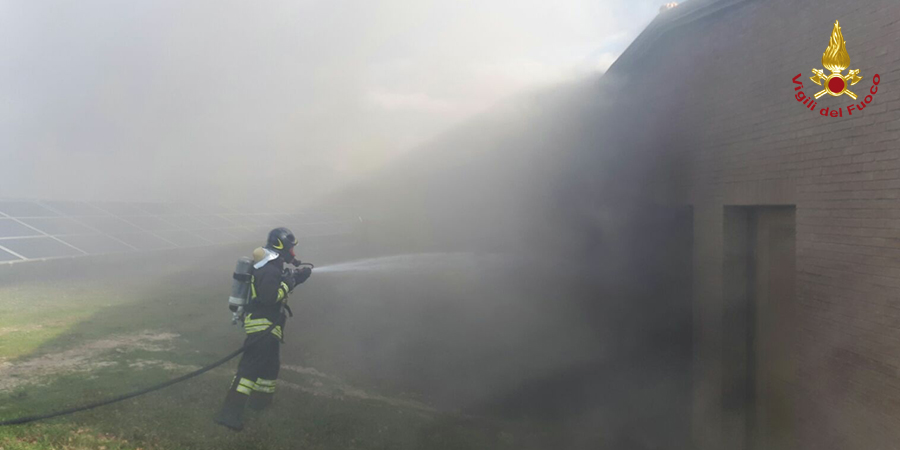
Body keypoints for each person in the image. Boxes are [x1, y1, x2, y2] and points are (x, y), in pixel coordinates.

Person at [214, 227, 312, 431]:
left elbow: (279, 286)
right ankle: (229, 414)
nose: (293, 253)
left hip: (270, 325)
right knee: (249, 370)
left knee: (270, 367)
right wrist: (290, 281)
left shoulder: (272, 265)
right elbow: (269, 297)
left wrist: (295, 279)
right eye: (290, 249)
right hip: (262, 325)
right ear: (281, 247)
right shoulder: (268, 267)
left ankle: (261, 404)